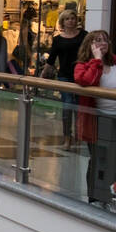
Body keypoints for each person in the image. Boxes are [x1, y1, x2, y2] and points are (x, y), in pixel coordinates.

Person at [74, 30, 116, 208]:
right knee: (100, 160)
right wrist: (97, 60)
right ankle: (95, 197)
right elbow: (86, 80)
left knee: (115, 161)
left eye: (106, 40)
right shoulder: (83, 65)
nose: (103, 43)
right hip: (99, 120)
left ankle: (109, 196)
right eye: (98, 40)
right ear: (89, 45)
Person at [45, 9, 85, 143]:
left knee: (79, 106)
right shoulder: (58, 39)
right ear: (63, 21)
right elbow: (51, 59)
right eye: (67, 19)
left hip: (81, 75)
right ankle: (67, 136)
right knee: (68, 105)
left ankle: (79, 136)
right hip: (64, 75)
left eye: (73, 18)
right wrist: (42, 76)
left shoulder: (84, 36)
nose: (71, 21)